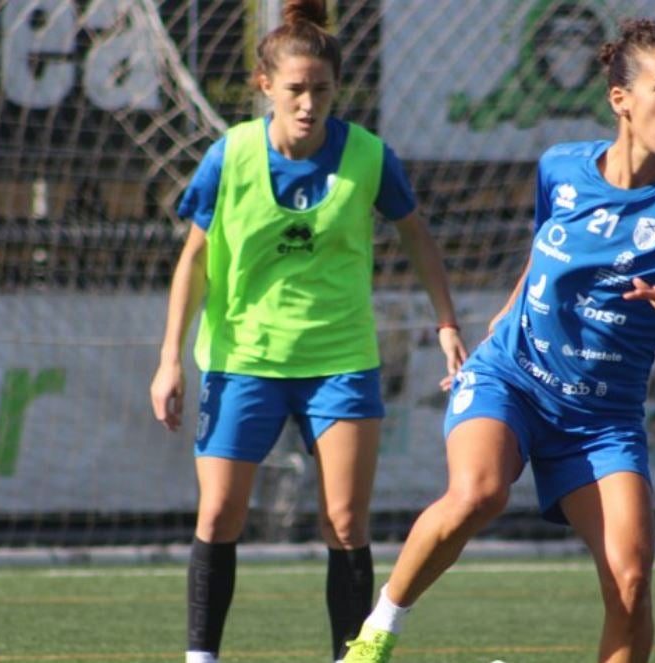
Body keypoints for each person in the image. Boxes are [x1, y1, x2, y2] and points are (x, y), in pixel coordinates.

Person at [344, 17, 655, 663]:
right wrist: (511, 306)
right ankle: (378, 630)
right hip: (513, 379)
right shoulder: (560, 166)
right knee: (478, 493)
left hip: (601, 421)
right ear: (620, 99)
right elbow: (547, 244)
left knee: (631, 581)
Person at [148, 2, 467, 661]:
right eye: (295, 89)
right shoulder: (229, 155)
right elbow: (193, 259)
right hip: (244, 359)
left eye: (321, 90)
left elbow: (418, 238)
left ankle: (347, 655)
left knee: (345, 522)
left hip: (340, 360)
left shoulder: (370, 157)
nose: (308, 103)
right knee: (218, 517)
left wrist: (446, 322)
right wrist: (169, 359)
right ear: (266, 86)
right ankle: (199, 657)